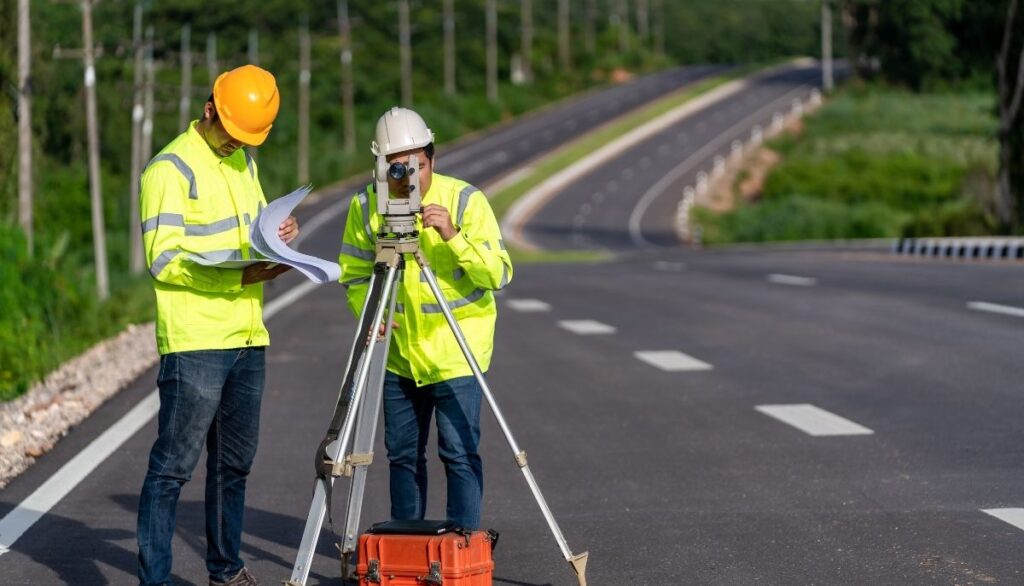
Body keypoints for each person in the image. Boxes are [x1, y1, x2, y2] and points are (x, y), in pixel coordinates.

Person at [136, 64, 297, 586]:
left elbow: (247, 235)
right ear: (210, 110)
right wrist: (236, 275)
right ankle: (155, 579)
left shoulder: (244, 165)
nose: (237, 146)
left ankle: (226, 571)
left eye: (248, 139)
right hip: (197, 341)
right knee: (173, 469)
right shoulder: (170, 170)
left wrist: (276, 238)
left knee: (234, 466)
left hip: (248, 336)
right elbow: (163, 260)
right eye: (232, 135)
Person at [338, 107, 513, 529]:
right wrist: (369, 314)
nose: (410, 176)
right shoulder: (366, 206)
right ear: (381, 166)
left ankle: (463, 546)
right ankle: (408, 548)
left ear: (433, 158)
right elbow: (354, 274)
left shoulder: (465, 200)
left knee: (458, 451)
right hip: (398, 356)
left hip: (457, 354)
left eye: (417, 165)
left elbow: (498, 274)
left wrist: (453, 236)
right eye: (398, 167)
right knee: (401, 456)